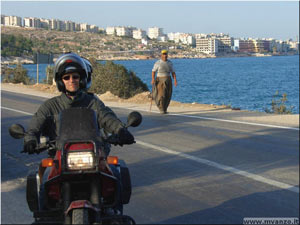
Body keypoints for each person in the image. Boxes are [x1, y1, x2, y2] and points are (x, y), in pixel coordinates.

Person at [23, 52, 134, 155]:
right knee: (45, 173)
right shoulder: (50, 106)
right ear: (61, 82)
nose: (72, 80)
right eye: (66, 77)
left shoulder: (93, 103)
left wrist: (120, 130)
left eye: (75, 76)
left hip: (92, 154)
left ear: (81, 79)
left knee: (114, 172)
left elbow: (107, 118)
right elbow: (35, 125)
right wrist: (30, 140)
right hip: (60, 156)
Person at [151, 49, 177, 114]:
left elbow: (173, 72)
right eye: (163, 54)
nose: (165, 55)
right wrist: (153, 79)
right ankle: (161, 108)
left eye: (166, 54)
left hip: (168, 79)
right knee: (161, 95)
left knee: (168, 95)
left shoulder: (170, 63)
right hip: (160, 80)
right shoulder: (158, 63)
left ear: (167, 55)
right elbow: (153, 71)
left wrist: (175, 80)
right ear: (161, 55)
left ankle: (165, 109)